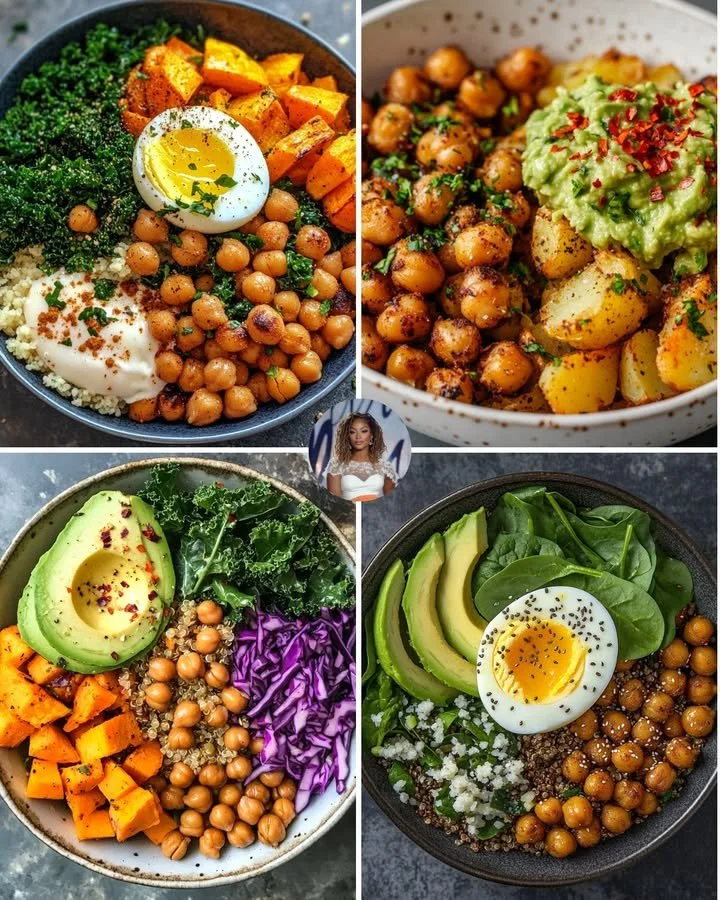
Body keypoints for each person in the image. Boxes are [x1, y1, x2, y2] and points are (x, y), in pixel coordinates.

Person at [326, 413, 397, 502]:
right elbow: (334, 502)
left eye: (363, 431)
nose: (358, 437)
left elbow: (391, 501)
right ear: (347, 437)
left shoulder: (385, 467)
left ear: (371, 435)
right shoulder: (336, 465)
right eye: (352, 432)